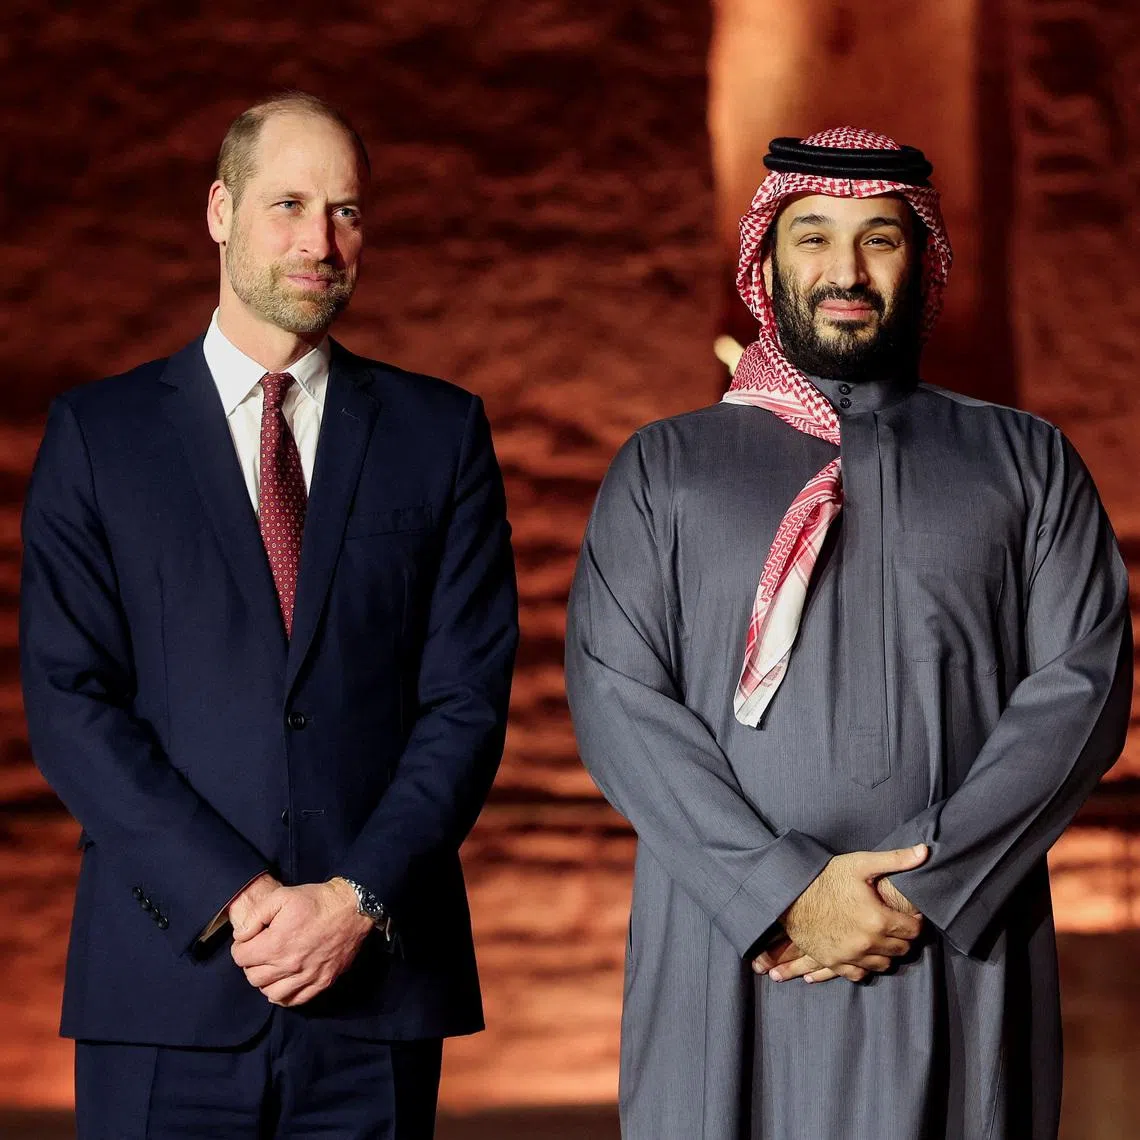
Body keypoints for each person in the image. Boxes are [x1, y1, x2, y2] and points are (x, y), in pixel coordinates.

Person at [564, 127, 1132, 1139]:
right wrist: (780, 890)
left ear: (922, 261)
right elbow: (617, 699)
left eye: (879, 239)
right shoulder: (665, 469)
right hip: (731, 948)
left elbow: (1078, 694)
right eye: (812, 236)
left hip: (957, 944)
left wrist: (921, 889)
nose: (845, 270)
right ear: (767, 262)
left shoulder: (1028, 461)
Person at [20, 91, 518, 1138]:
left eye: (345, 211)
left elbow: (464, 705)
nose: (320, 241)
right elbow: (71, 705)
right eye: (288, 204)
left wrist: (354, 901)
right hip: (164, 986)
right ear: (219, 210)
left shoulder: (441, 433)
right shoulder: (99, 437)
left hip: (376, 990)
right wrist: (241, 900)